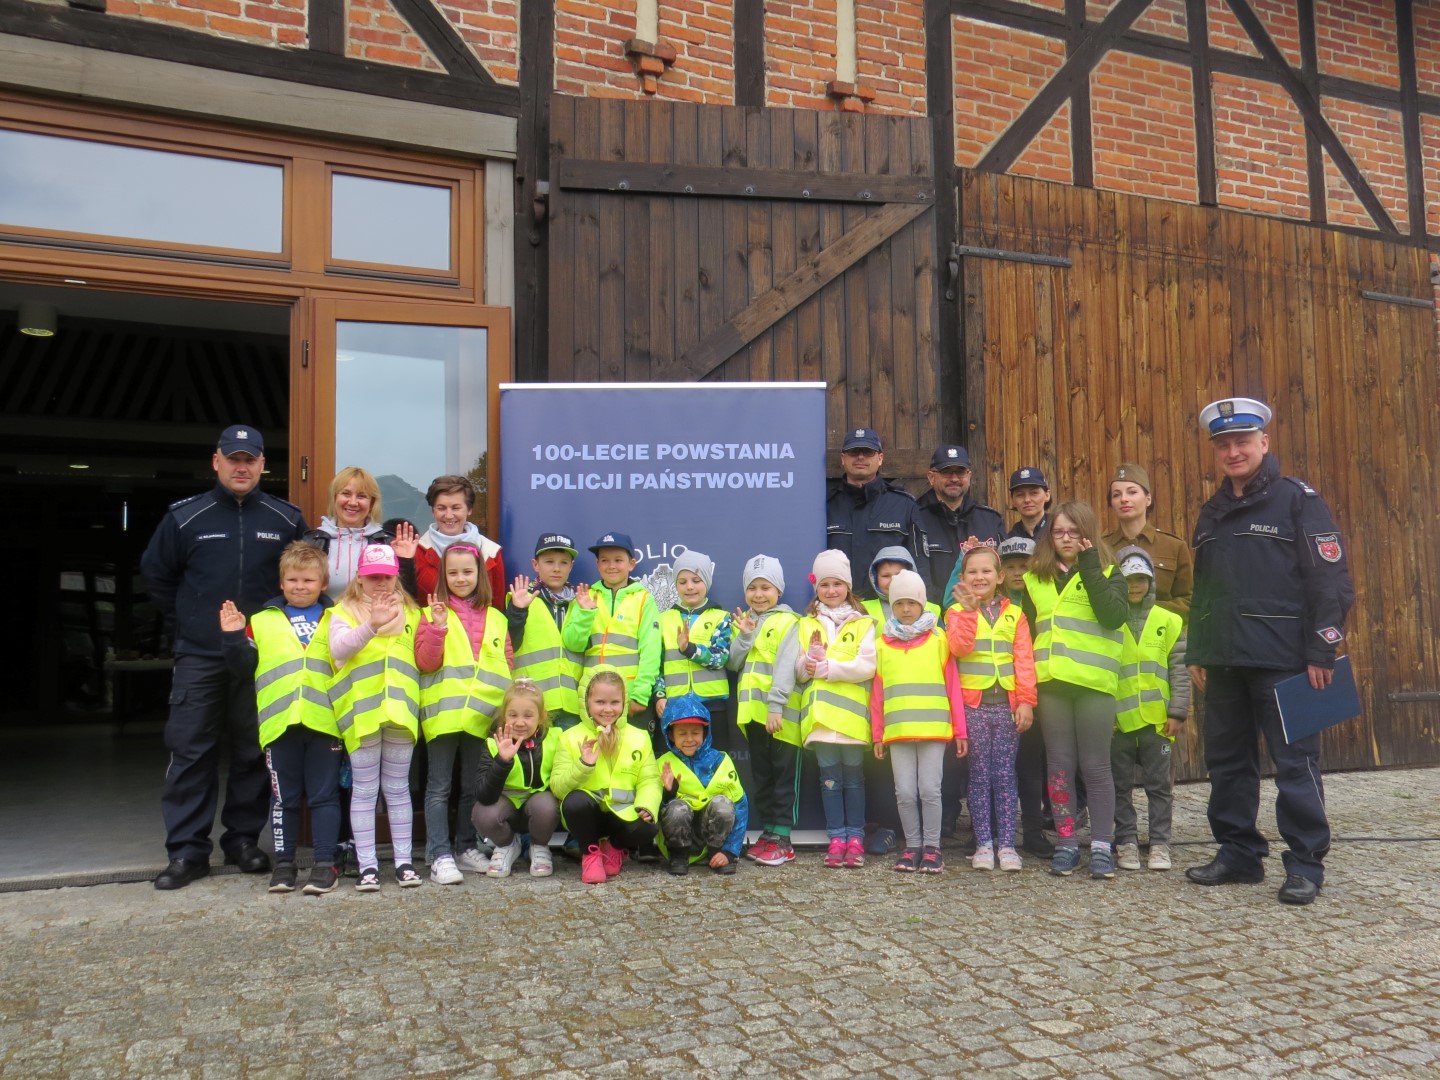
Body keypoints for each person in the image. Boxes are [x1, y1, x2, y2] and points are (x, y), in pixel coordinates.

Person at [1185, 397, 1353, 906]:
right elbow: (1207, 588)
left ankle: (1305, 864)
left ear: (1264, 442)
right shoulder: (1212, 510)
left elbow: (1330, 580)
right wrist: (1198, 648)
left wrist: (1323, 650)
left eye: (1242, 441)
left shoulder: (1297, 500)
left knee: (1295, 764)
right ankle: (1238, 853)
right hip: (1224, 660)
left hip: (1284, 659)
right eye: (1223, 445)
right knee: (1227, 763)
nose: (1233, 451)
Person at [141, 424, 307, 890]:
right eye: (232, 458)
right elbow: (157, 577)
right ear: (216, 461)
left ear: (261, 466)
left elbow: (300, 579)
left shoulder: (284, 518)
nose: (241, 466)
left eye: (249, 459)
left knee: (253, 751)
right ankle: (187, 852)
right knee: (191, 751)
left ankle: (241, 841)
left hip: (261, 656)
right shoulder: (185, 518)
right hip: (201, 655)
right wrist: (190, 624)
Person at [219, 542, 340, 895]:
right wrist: (232, 637)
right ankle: (284, 864)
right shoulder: (261, 621)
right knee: (283, 798)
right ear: (281, 583)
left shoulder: (339, 618)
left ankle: (324, 863)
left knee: (324, 797)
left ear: (323, 583)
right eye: (293, 580)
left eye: (308, 580)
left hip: (325, 723)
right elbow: (242, 669)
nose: (300, 586)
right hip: (279, 723)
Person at [1023, 501, 1128, 878]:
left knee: (1096, 766)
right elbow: (1026, 636)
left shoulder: (1111, 572)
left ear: (1088, 533)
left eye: (1073, 531)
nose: (1065, 538)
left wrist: (1089, 566)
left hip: (1094, 685)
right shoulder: (1035, 579)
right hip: (1052, 685)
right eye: (1058, 531)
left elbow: (1113, 616)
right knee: (1059, 767)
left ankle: (1101, 844)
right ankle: (1067, 843)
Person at [323, 544, 422, 891]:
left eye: (386, 576)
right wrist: (371, 624)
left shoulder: (411, 610)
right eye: (373, 576)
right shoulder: (343, 610)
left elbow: (423, 658)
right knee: (364, 791)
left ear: (396, 577)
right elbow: (338, 650)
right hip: (362, 712)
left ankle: (404, 862)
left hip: (400, 711)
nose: (380, 583)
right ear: (360, 578)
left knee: (397, 789)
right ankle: (367, 866)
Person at [415, 543, 511, 885]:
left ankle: (465, 847)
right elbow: (425, 662)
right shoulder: (428, 614)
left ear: (480, 575)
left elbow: (506, 663)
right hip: (444, 714)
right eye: (452, 572)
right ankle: (439, 854)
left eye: (467, 571)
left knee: (472, 786)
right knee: (439, 787)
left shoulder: (497, 617)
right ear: (442, 576)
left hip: (482, 716)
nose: (460, 578)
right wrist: (438, 627)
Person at [947, 546, 1037, 872]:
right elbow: (960, 647)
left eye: (986, 571)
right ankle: (983, 843)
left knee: (1004, 774)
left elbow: (1024, 660)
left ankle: (1008, 844)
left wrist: (1026, 701)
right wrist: (970, 612)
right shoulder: (956, 612)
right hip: (974, 707)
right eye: (972, 572)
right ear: (962, 578)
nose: (979, 577)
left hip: (1007, 708)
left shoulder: (1015, 614)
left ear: (999, 577)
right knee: (979, 775)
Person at [870, 569, 966, 874]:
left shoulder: (939, 640)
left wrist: (959, 730)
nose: (906, 609)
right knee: (905, 792)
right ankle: (912, 847)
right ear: (892, 606)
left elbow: (953, 688)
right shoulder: (882, 644)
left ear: (923, 604)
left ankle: (932, 848)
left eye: (912, 602)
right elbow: (877, 694)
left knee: (930, 790)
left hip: (934, 731)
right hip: (898, 731)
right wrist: (877, 733)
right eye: (900, 603)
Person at [794, 550, 877, 869]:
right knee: (829, 779)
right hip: (820, 720)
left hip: (853, 721)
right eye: (825, 584)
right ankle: (836, 839)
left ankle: (855, 838)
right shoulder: (805, 624)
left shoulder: (864, 622)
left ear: (848, 586)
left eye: (837, 584)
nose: (831, 590)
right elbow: (799, 673)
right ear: (816, 587)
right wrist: (808, 661)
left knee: (854, 779)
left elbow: (867, 666)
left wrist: (828, 667)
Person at [1111, 547, 1189, 872]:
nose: (1135, 586)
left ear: (1151, 581)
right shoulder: (1109, 624)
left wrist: (1177, 712)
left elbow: (1179, 669)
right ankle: (1126, 840)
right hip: (1119, 723)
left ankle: (1160, 843)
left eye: (1141, 579)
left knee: (1160, 786)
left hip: (1158, 722)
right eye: (1129, 580)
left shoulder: (1169, 621)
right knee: (1119, 786)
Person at [550, 666, 661, 884]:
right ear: (586, 703)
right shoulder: (569, 738)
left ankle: (614, 846)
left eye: (614, 702)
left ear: (624, 702)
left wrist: (646, 805)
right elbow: (558, 788)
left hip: (622, 816)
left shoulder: (639, 737)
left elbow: (650, 779)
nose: (608, 709)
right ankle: (590, 853)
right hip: (588, 818)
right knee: (574, 802)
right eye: (600, 702)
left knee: (650, 825)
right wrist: (583, 764)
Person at [727, 555, 804, 867]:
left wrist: (776, 706)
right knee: (763, 776)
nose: (759, 594)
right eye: (753, 588)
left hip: (781, 715)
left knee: (784, 776)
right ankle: (769, 833)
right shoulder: (746, 622)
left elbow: (786, 668)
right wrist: (745, 635)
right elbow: (733, 664)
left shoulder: (790, 622)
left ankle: (783, 837)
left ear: (779, 590)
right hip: (753, 716)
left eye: (766, 587)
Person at [562, 532, 663, 741]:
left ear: (631, 564)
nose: (611, 566)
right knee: (595, 759)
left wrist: (641, 694)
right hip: (594, 699)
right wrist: (584, 613)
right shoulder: (585, 597)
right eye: (605, 561)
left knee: (633, 760)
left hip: (630, 697)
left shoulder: (644, 599)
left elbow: (651, 651)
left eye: (618, 560)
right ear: (598, 565)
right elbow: (572, 643)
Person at [998, 536, 1053, 857]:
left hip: (1033, 694)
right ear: (1000, 571)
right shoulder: (994, 603)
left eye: (1025, 565)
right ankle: (991, 831)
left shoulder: (1041, 602)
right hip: (997, 695)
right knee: (996, 768)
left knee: (1032, 765)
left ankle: (1034, 831)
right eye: (1011, 566)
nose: (1019, 572)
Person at [473, 679, 560, 878]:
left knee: (547, 805)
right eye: (513, 715)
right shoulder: (493, 743)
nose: (520, 722)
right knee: (482, 813)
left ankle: (539, 846)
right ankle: (507, 845)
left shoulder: (556, 738)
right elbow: (483, 795)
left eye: (528, 716)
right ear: (504, 716)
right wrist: (502, 761)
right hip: (506, 808)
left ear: (541, 717)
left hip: (537, 808)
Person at [825, 427, 926, 599]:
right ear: (843, 458)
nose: (861, 457)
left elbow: (921, 567)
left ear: (880, 458)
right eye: (853, 452)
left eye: (868, 452)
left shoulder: (903, 505)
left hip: (890, 614)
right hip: (838, 611)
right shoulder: (826, 505)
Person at [656, 694, 748, 876]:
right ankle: (679, 856)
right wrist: (668, 794)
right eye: (682, 733)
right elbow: (655, 810)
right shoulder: (663, 764)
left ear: (705, 733)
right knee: (676, 808)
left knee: (723, 804)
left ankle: (716, 855)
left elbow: (740, 805)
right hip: (680, 840)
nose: (689, 739)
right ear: (670, 735)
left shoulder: (721, 760)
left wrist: (729, 851)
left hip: (714, 840)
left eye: (695, 732)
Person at [653, 550, 734, 749]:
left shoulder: (721, 617)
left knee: (716, 763)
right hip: (675, 706)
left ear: (706, 581)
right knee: (676, 767)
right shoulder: (663, 619)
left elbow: (720, 658)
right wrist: (659, 696)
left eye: (696, 580)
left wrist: (690, 649)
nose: (689, 587)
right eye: (682, 582)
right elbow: (657, 665)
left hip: (712, 705)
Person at [392, 474, 506, 612]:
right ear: (433, 511)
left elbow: (498, 609)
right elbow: (406, 604)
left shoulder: (491, 552)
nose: (449, 515)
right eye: (441, 508)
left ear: (469, 510)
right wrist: (404, 562)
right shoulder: (415, 551)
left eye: (456, 508)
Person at [507, 532, 584, 730]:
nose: (556, 568)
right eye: (549, 562)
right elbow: (509, 645)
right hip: (531, 704)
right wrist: (517, 611)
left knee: (566, 761)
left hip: (571, 704)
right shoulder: (519, 599)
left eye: (563, 562)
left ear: (571, 566)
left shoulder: (582, 603)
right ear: (535, 565)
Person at [1102, 463, 1193, 620]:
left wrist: (1148, 610)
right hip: (1114, 639)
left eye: (1132, 492)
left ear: (1148, 499)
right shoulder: (1102, 547)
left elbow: (1189, 601)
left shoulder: (1174, 547)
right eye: (1116, 495)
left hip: (1161, 638)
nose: (1124, 499)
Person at [915, 445, 1005, 602]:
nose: (954, 478)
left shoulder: (990, 520)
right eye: (946, 472)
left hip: (981, 616)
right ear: (931, 477)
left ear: (969, 475)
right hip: (931, 615)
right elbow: (914, 574)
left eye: (960, 472)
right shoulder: (915, 518)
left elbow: (1004, 571)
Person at [303, 466, 393, 599]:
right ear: (334, 498)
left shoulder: (387, 543)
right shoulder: (312, 541)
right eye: (346, 494)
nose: (353, 502)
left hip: (373, 617)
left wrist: (406, 561)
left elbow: (401, 592)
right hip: (324, 618)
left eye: (361, 496)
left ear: (372, 503)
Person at [862, 546, 940, 624]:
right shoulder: (863, 610)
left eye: (899, 574)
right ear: (875, 578)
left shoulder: (933, 610)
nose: (893, 581)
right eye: (885, 576)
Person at [1006, 467, 1051, 540]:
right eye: (1020, 495)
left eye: (1034, 493)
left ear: (1047, 495)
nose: (1027, 500)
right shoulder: (1010, 540)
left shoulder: (1059, 531)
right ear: (1012, 500)